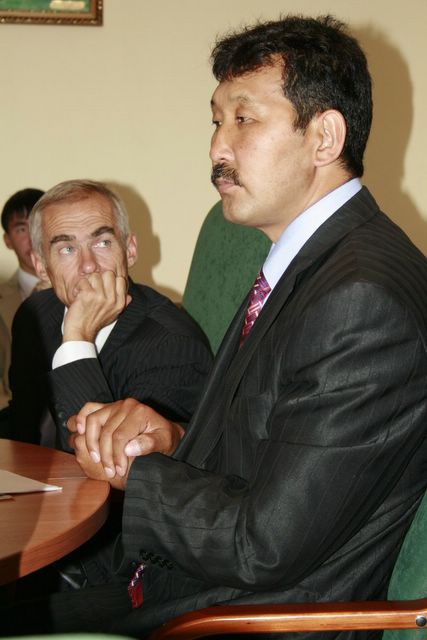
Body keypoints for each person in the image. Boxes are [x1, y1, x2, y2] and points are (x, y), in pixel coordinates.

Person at [2, 15, 427, 640]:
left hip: (242, 617)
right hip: (194, 589)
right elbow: (271, 454)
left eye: (244, 120)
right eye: (216, 121)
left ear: (325, 137)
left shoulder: (361, 300)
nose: (217, 150)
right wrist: (172, 439)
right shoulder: (314, 264)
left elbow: (265, 546)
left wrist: (136, 473)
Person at [7, 179, 212, 446]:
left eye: (102, 243)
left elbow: (105, 459)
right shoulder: (34, 314)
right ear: (41, 266)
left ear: (130, 250)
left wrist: (77, 340)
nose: (88, 266)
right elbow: (22, 429)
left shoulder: (172, 346)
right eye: (67, 249)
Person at [0, 188, 44, 408]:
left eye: (38, 224)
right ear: (8, 240)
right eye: (21, 229)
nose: (32, 237)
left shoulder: (87, 288)